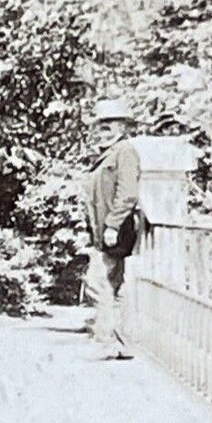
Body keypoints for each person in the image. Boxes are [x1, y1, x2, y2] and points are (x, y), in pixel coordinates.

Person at [80, 98, 142, 360]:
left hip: (115, 230)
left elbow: (127, 193)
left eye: (110, 124)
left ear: (123, 127)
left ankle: (107, 343)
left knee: (98, 283)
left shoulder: (124, 151)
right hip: (104, 231)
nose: (104, 129)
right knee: (112, 285)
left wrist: (113, 225)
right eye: (101, 124)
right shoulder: (107, 154)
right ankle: (121, 344)